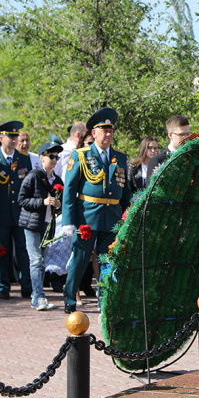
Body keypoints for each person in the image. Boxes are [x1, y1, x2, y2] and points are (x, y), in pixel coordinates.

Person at [61, 107, 132, 313]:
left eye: (111, 130)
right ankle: (70, 299)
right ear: (94, 133)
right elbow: (70, 190)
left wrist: (127, 217)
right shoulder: (81, 155)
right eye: (104, 130)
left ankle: (104, 300)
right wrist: (68, 220)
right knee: (80, 260)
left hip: (111, 218)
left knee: (106, 262)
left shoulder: (119, 157)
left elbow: (125, 192)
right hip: (87, 216)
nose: (108, 134)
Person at [0, 121, 34, 299]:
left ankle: (26, 286)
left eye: (16, 136)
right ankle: (2, 286)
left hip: (21, 213)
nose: (14, 140)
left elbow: (28, 186)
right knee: (1, 251)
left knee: (23, 250)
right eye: (10, 136)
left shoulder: (24, 158)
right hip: (0, 213)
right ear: (1, 138)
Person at [18, 141, 63, 311]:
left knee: (42, 261)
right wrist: (42, 202)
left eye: (57, 157)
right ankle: (38, 297)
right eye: (51, 156)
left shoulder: (57, 180)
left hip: (48, 224)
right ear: (41, 157)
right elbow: (21, 200)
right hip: (32, 224)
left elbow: (62, 203)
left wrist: (58, 204)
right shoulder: (33, 176)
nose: (54, 160)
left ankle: (37, 295)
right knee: (36, 260)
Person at [146, 116, 191, 184]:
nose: (186, 138)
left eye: (187, 134)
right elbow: (150, 191)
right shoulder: (157, 160)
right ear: (170, 135)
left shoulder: (192, 157)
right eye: (181, 134)